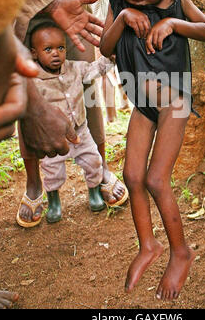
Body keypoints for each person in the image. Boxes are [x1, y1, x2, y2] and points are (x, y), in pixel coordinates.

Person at [100, 0, 205, 301]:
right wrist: (122, 16)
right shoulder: (121, 2)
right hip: (143, 102)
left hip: (174, 104)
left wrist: (172, 24)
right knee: (131, 175)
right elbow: (105, 47)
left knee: (154, 179)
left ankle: (181, 253)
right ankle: (148, 246)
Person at [15, 0, 128, 227]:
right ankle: (37, 185)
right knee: (29, 99)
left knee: (87, 94)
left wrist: (114, 17)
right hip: (20, 15)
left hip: (72, 16)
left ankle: (99, 172)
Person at [23, 15, 128, 224]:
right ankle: (53, 201)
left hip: (81, 132)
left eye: (61, 48)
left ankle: (94, 192)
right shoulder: (33, 80)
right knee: (52, 171)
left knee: (93, 162)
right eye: (48, 49)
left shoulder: (74, 68)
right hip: (55, 139)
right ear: (34, 53)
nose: (56, 54)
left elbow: (94, 70)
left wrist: (110, 59)